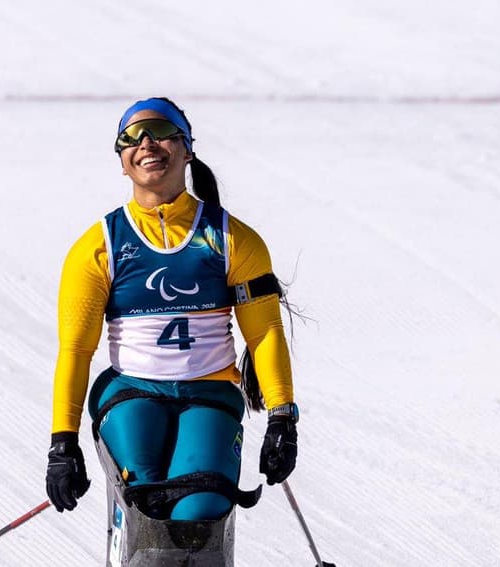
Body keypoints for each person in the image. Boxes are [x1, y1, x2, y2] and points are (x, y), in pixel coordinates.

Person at [45, 97, 298, 522]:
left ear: (187, 149)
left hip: (209, 391)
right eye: (131, 137)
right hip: (131, 392)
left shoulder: (233, 239)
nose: (146, 142)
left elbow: (264, 334)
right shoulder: (97, 247)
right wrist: (62, 444)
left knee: (201, 509)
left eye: (161, 131)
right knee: (146, 500)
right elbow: (75, 351)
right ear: (122, 161)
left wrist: (282, 420)